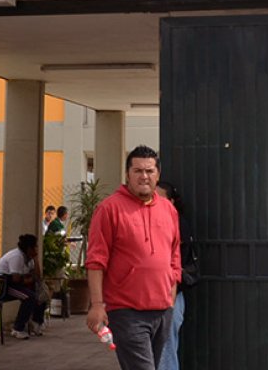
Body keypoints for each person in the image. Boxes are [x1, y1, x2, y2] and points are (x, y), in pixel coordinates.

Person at [85, 145, 181, 370]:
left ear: (158, 175)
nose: (144, 176)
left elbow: (174, 254)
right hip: (126, 311)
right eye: (137, 171)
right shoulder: (109, 209)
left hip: (162, 310)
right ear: (127, 174)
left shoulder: (168, 210)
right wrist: (97, 305)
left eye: (149, 171)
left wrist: (172, 292)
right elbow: (96, 261)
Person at [155, 181, 194, 370]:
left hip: (169, 296)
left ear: (171, 201)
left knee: (165, 351)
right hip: (157, 297)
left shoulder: (176, 224)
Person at [0, 234, 47, 340]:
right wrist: (30, 279)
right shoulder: (17, 256)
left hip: (18, 284)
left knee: (41, 296)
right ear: (29, 248)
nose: (37, 249)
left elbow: (38, 276)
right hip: (5, 286)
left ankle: (36, 323)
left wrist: (36, 259)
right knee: (29, 297)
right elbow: (16, 279)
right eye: (35, 247)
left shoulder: (29, 258)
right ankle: (18, 329)